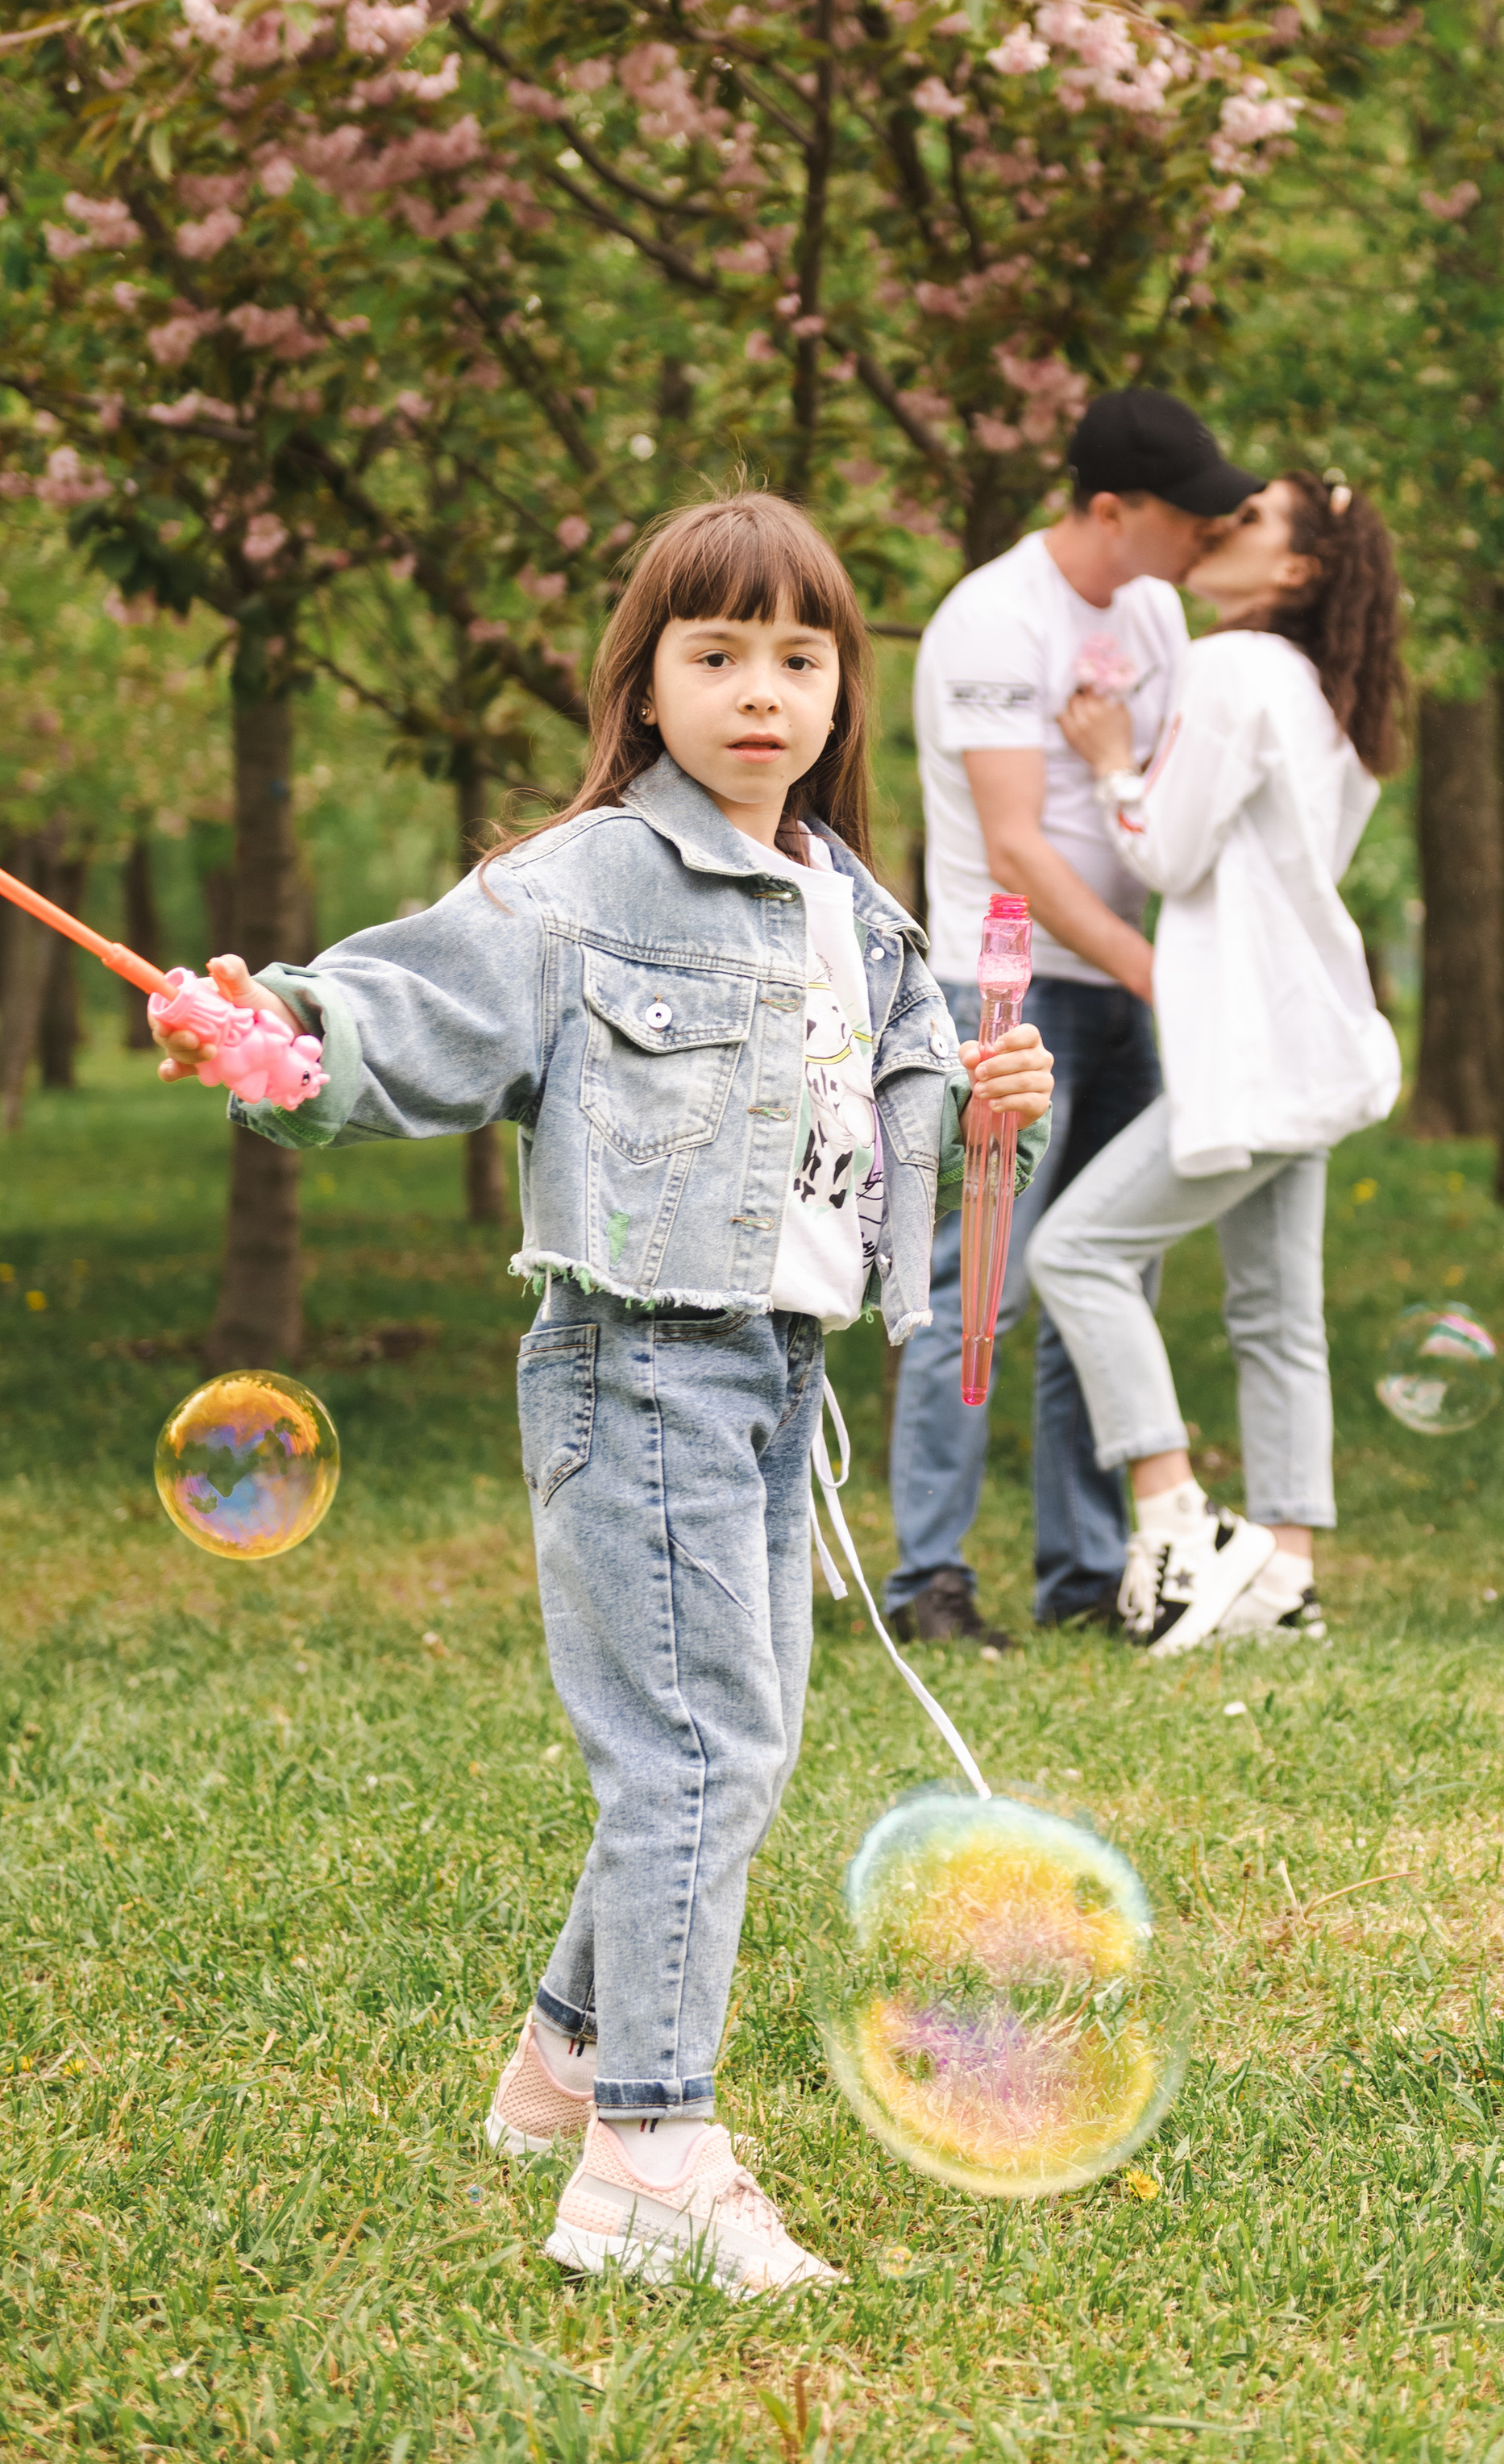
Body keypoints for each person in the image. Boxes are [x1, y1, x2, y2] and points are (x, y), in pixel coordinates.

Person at [153, 493, 1053, 2298]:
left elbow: (862, 1134)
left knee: (734, 1750)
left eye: (798, 658)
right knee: (696, 1757)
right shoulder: (575, 887)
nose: (759, 692)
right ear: (642, 686)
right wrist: (276, 1035)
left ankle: (563, 2066)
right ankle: (649, 2155)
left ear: (839, 693)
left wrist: (978, 1108)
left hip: (770, 1378)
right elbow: (400, 1013)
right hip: (637, 1356)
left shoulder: (850, 906)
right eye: (713, 655)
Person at [886, 388, 1262, 1648]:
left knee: (1099, 1269)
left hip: (1121, 985)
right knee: (973, 1286)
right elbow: (1012, 844)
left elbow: (1161, 797)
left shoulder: (1157, 610)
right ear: (1116, 510)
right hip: (1002, 989)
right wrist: (1162, 974)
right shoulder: (993, 618)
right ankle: (929, 1578)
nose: (1210, 531)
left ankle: (1086, 1574)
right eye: (1190, 511)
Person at [1027, 472, 1406, 1656]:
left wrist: (1109, 756)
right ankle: (1285, 1574)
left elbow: (1170, 851)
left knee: (1074, 1249)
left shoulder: (1235, 669)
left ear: (1297, 572)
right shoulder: (1334, 697)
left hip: (1250, 1043)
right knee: (1277, 1310)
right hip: (1315, 1035)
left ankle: (1174, 1514)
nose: (1217, 523)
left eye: (1249, 521)